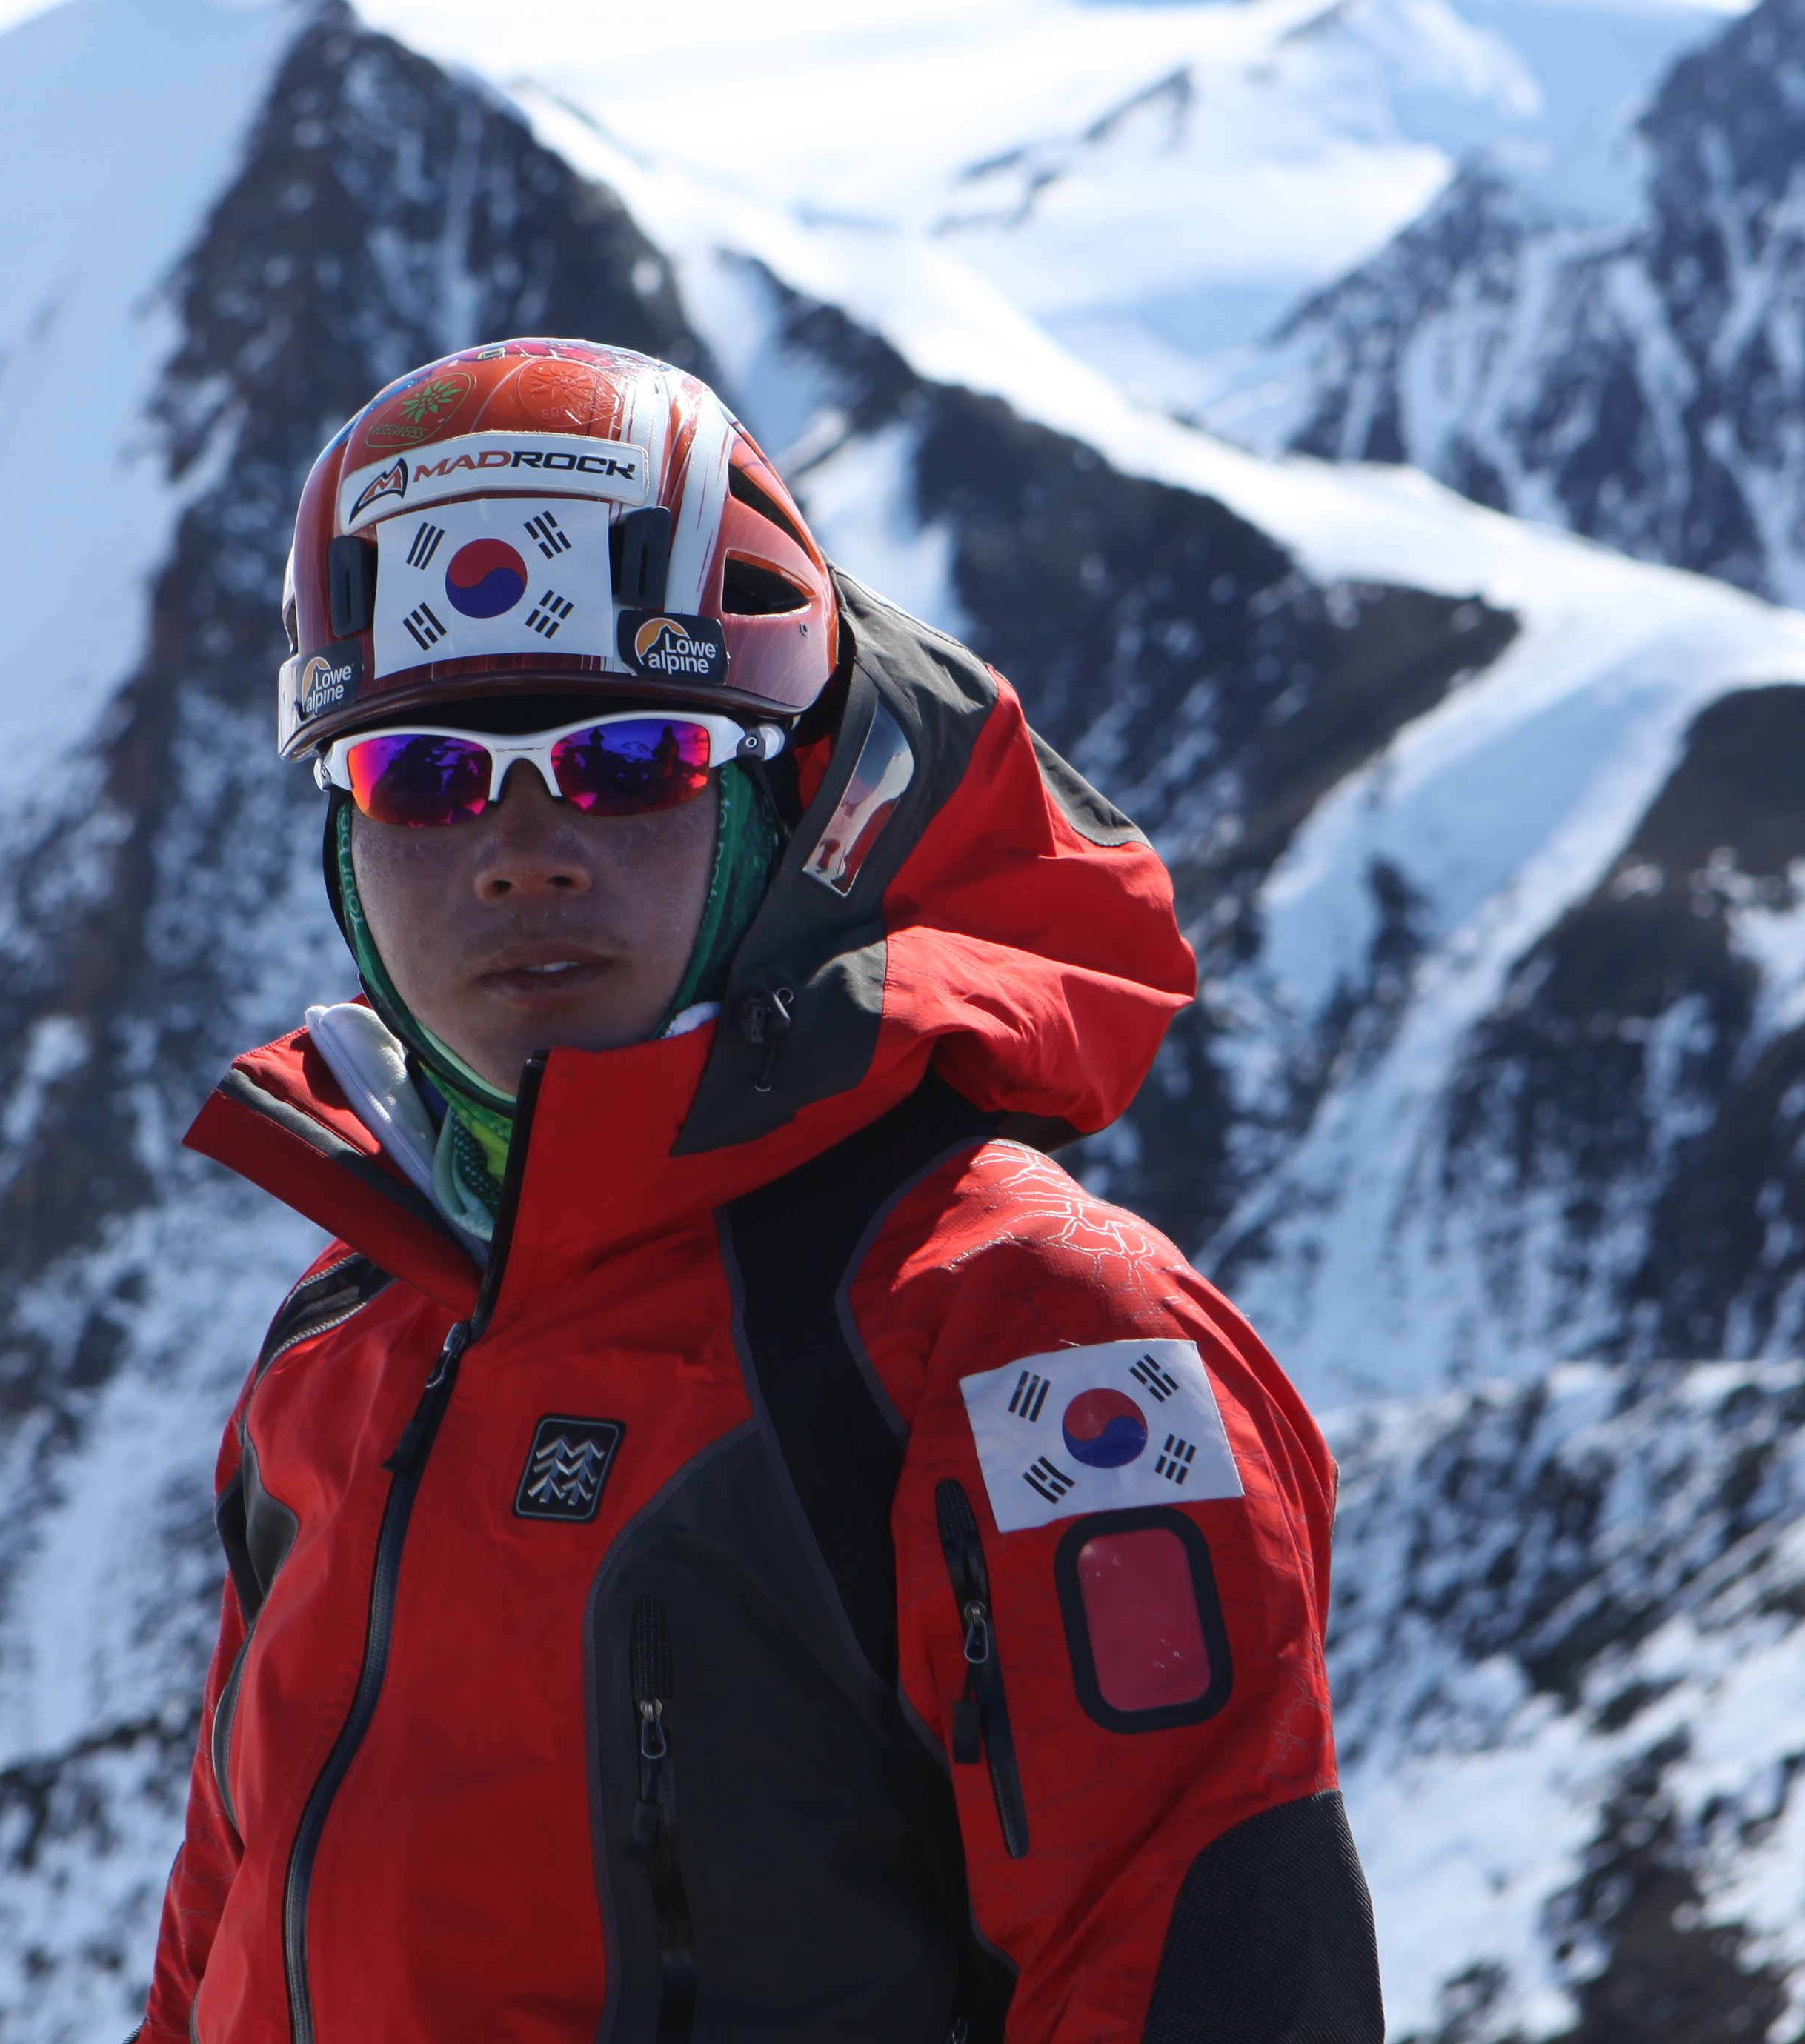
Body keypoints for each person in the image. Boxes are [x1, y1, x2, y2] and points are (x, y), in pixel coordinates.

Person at [145, 339, 1383, 2044]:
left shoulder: (1024, 1334)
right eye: (421, 777)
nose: (521, 851)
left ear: (783, 804)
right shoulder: (352, 1333)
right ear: (341, 843)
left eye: (628, 758)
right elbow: (215, 1961)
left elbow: (1206, 1985)